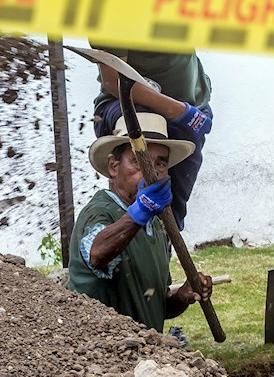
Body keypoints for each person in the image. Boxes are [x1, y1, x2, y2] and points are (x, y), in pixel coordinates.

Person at [90, 0, 214, 232]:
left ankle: (160, 278)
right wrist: (177, 111)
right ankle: (116, 269)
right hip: (131, 109)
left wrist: (196, 104)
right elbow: (114, 82)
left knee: (174, 210)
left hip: (189, 110)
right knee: (142, 199)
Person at [69, 112, 213, 332]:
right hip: (99, 356)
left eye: (161, 164)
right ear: (113, 167)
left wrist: (182, 296)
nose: (151, 171)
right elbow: (96, 255)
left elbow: (154, 305)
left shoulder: (157, 227)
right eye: (138, 161)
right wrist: (140, 211)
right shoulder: (99, 212)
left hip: (142, 356)